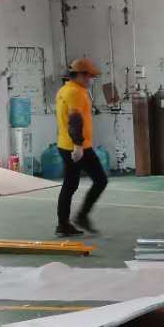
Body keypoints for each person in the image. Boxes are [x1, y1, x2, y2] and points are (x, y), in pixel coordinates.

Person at [54, 57, 107, 236]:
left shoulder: (64, 90)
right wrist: (78, 146)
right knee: (100, 180)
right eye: (89, 76)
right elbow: (74, 120)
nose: (91, 80)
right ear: (80, 75)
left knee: (70, 185)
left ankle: (63, 224)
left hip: (66, 144)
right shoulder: (75, 92)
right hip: (77, 146)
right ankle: (81, 217)